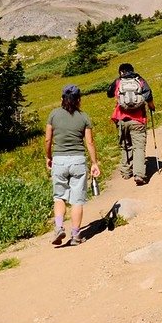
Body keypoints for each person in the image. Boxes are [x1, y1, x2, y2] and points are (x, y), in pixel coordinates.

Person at [46, 84, 100, 246]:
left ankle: (58, 227)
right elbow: (89, 142)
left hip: (59, 160)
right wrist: (94, 163)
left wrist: (48, 157)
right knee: (77, 199)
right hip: (78, 160)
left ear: (62, 98)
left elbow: (48, 139)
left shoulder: (53, 115)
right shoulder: (84, 117)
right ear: (79, 100)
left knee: (59, 197)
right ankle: (75, 235)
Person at [106, 63, 156, 186]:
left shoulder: (118, 81)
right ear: (132, 70)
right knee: (138, 147)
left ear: (121, 72)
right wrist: (151, 106)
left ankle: (126, 171)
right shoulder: (139, 80)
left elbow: (109, 93)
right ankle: (139, 174)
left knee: (125, 144)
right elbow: (148, 94)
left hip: (121, 120)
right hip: (138, 119)